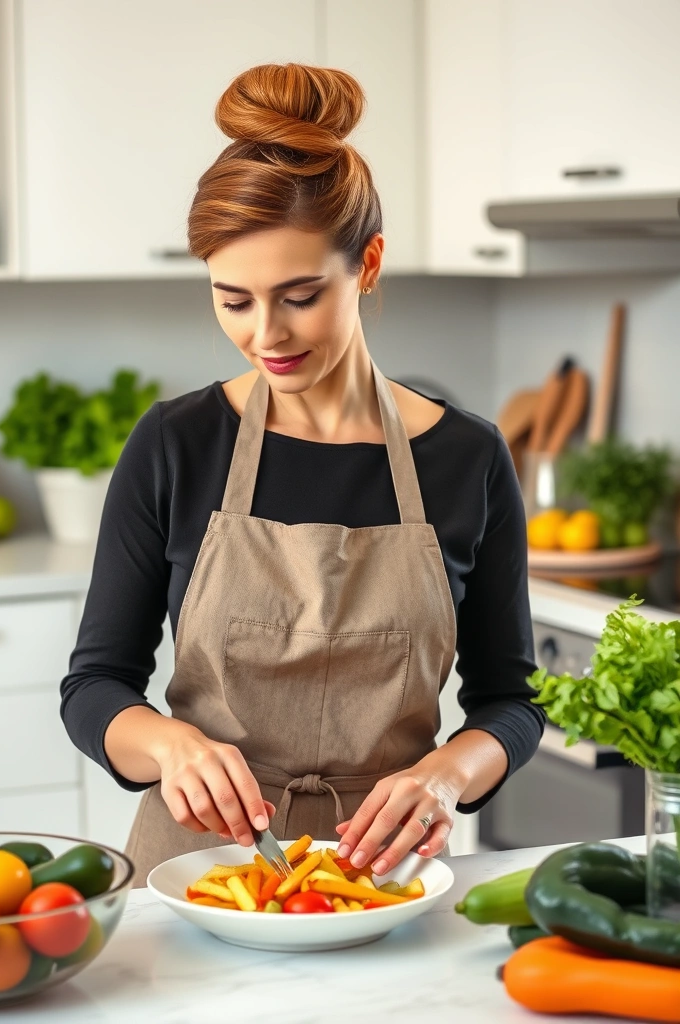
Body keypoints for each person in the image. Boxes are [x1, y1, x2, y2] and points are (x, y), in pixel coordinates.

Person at [61, 63, 544, 887]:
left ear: (368, 263)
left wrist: (445, 776)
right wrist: (170, 746)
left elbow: (511, 701)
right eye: (234, 299)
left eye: (299, 294)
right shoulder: (177, 443)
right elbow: (95, 686)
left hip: (385, 877)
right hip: (199, 873)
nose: (265, 334)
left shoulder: (466, 456)